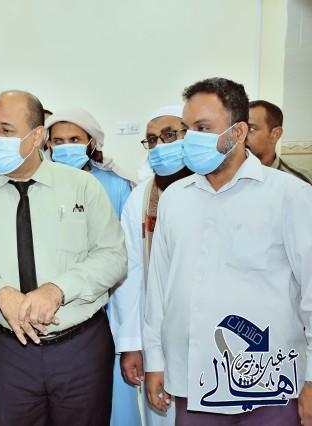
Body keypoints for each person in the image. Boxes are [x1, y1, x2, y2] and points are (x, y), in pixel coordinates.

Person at [0, 90, 126, 425]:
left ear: (37, 136)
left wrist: (58, 290)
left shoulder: (81, 186)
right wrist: (2, 294)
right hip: (8, 351)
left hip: (80, 347)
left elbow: (113, 256)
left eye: (6, 130)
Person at [143, 78, 312, 425]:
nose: (191, 139)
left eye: (203, 128)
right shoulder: (175, 198)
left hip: (270, 384)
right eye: (187, 129)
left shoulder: (289, 196)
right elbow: (159, 287)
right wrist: (155, 360)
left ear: (238, 132)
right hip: (194, 381)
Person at [44, 108, 136, 425]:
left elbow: (124, 256)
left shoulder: (115, 186)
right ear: (47, 144)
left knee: (112, 401)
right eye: (58, 141)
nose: (66, 147)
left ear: (91, 143)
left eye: (74, 139)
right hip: (57, 309)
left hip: (108, 308)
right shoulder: (40, 184)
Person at [112, 105, 190, 426]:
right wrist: (132, 344)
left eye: (169, 136)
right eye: (152, 139)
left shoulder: (214, 188)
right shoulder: (142, 198)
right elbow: (129, 274)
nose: (159, 146)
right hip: (158, 336)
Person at [247, 100, 312, 183]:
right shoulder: (231, 176)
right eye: (238, 129)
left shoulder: (300, 182)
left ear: (275, 134)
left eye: (251, 129)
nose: (240, 136)